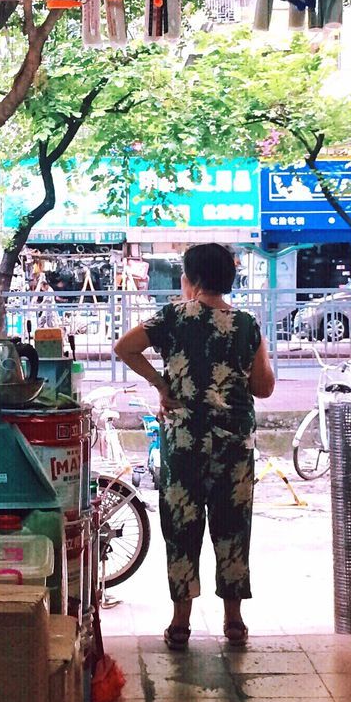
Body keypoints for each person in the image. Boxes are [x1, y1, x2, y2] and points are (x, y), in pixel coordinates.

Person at [113, 242, 275, 651]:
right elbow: (264, 387)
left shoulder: (172, 318)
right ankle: (234, 621)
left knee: (182, 526)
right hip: (234, 443)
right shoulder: (246, 324)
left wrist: (162, 384)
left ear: (191, 280)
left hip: (184, 440)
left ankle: (181, 622)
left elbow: (124, 347)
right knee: (233, 526)